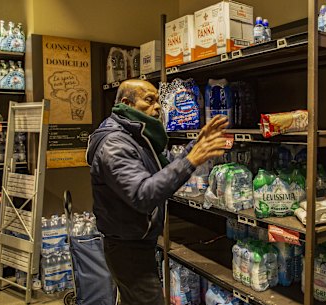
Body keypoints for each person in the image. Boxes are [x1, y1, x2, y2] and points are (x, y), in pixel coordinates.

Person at [86, 79, 227, 305]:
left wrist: (194, 146)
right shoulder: (115, 144)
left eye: (158, 100)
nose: (158, 107)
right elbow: (143, 194)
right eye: (149, 100)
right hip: (128, 249)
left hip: (135, 242)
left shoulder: (133, 137)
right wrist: (190, 161)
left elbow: (161, 169)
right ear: (127, 103)